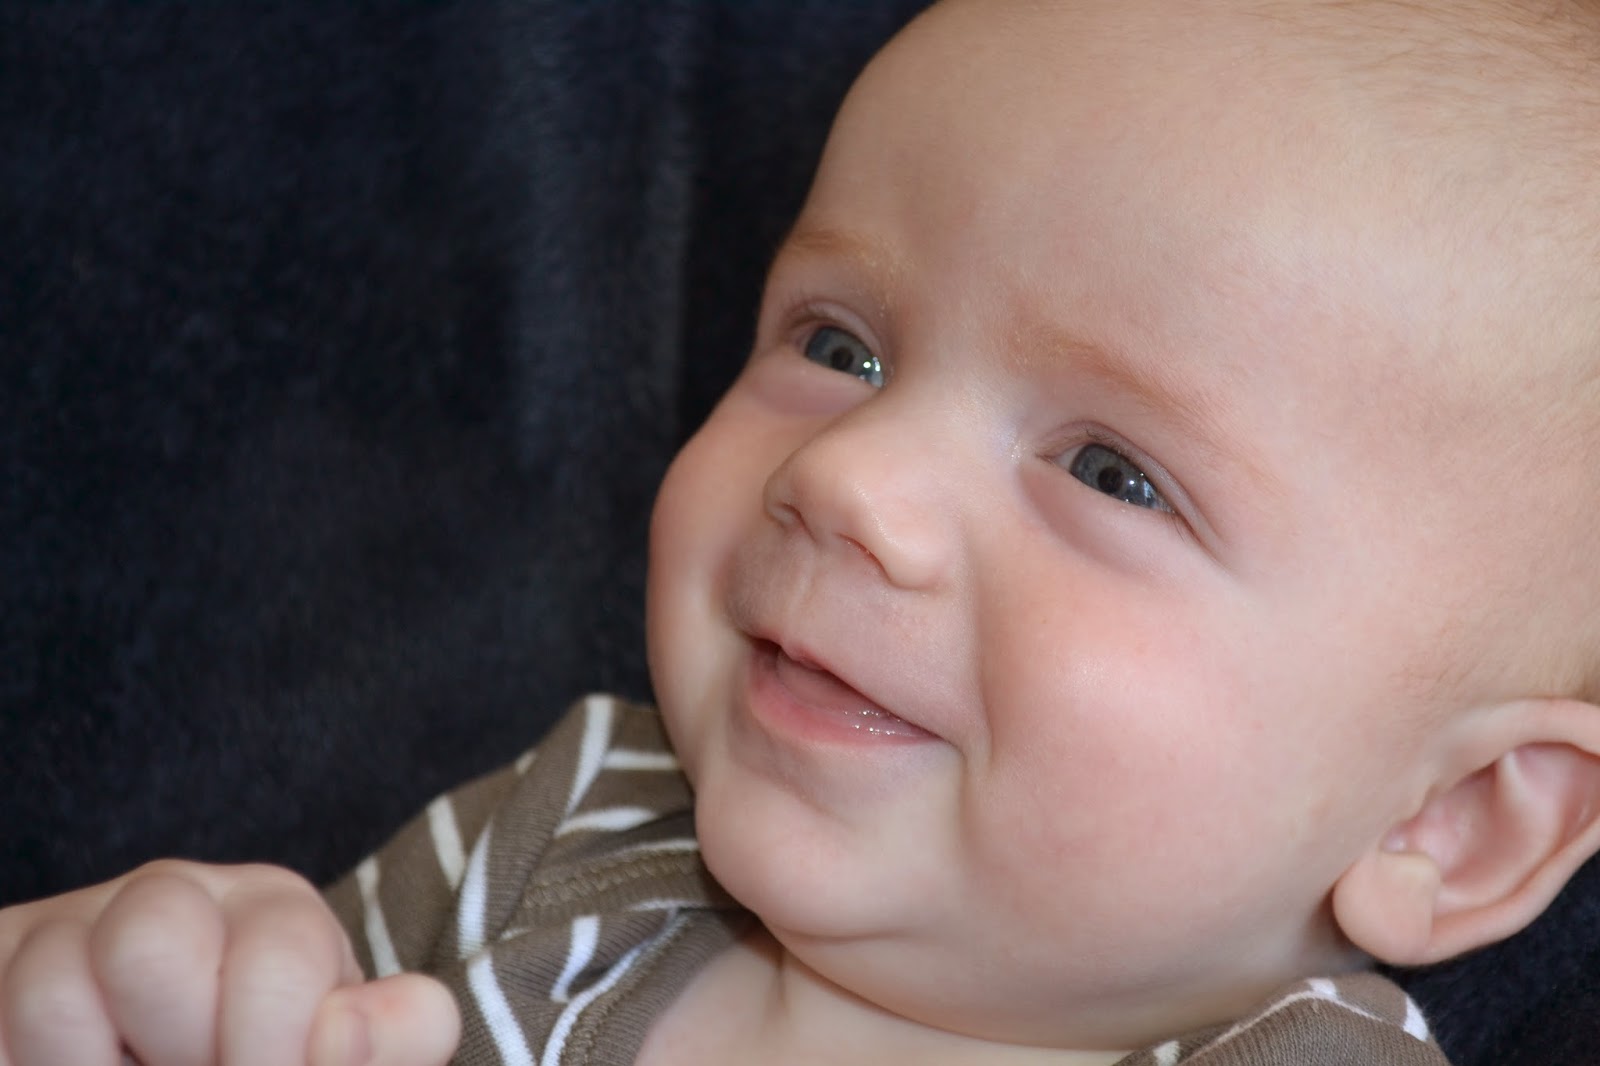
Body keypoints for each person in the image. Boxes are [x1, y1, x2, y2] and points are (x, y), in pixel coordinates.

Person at [5, 0, 1600, 1062]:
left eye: (1114, 473)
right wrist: (147, 997)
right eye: (841, 346)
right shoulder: (562, 832)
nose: (852, 479)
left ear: (1452, 823)